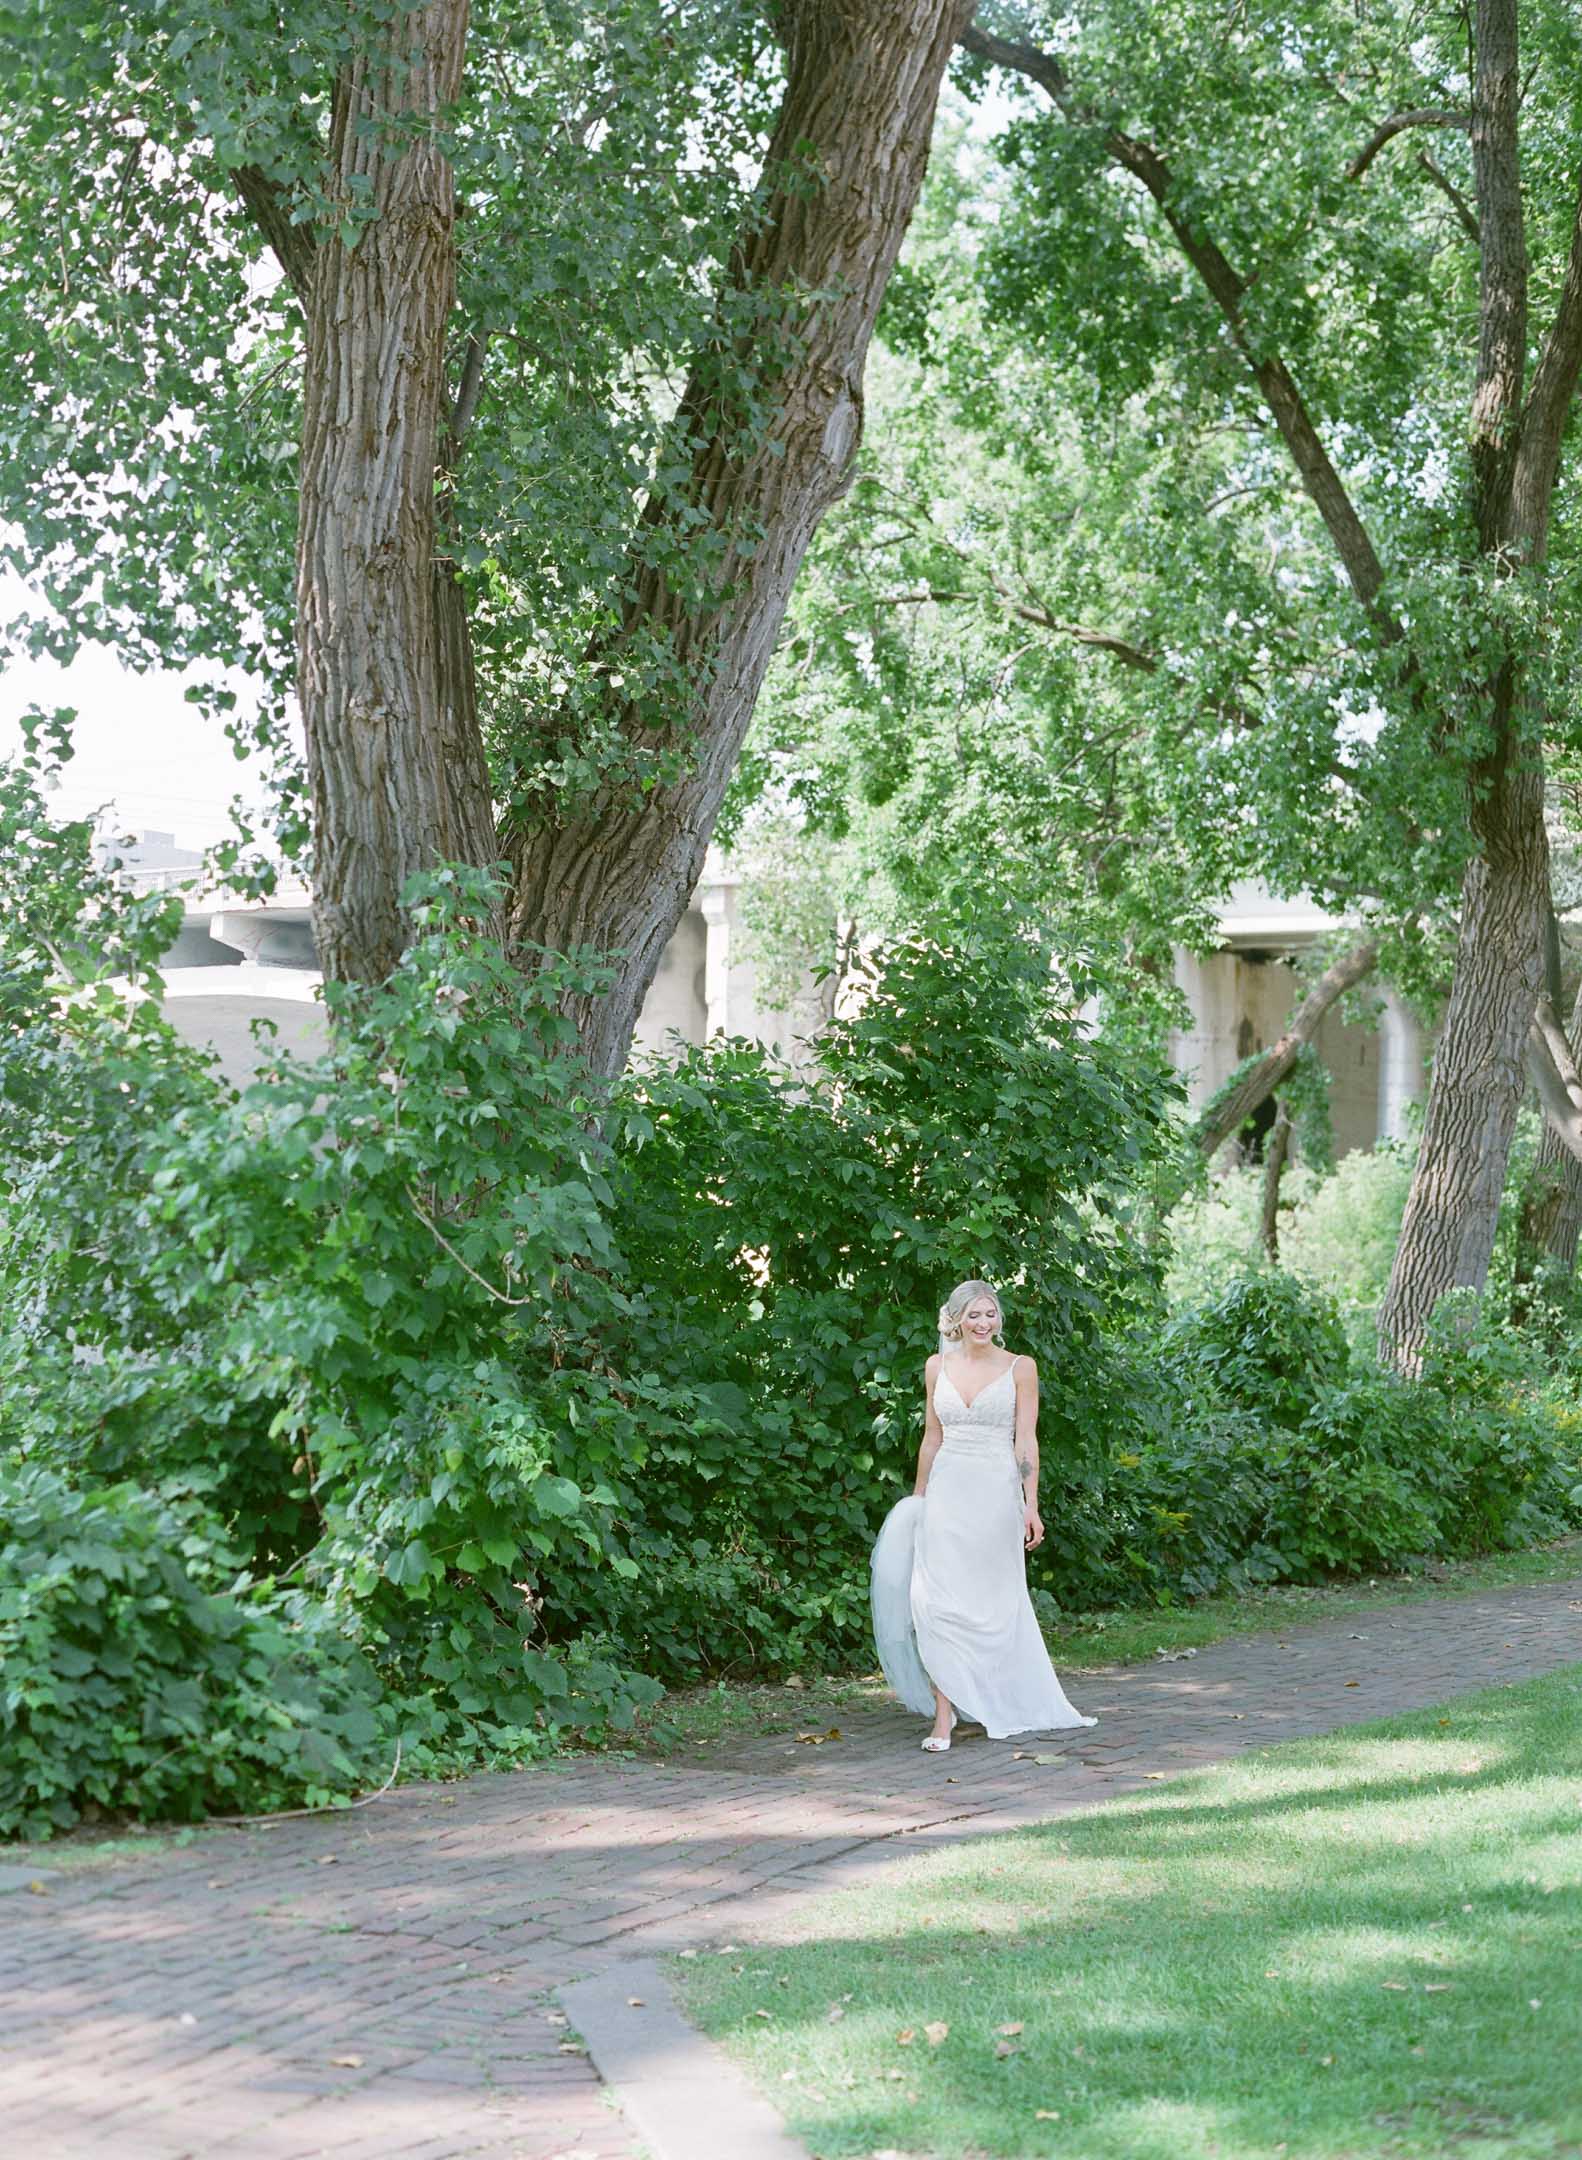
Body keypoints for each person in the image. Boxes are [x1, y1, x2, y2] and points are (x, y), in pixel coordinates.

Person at [870, 1278, 1096, 1752]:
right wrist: (918, 1501)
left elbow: (1026, 1441)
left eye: (990, 1313)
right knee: (935, 1602)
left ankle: (991, 1695)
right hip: (947, 1492)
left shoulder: (1020, 1367)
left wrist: (1030, 1504)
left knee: (990, 1603)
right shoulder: (937, 1367)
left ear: (999, 1319)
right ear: (956, 1320)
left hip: (995, 1494)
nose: (983, 1322)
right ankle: (944, 1713)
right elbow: (932, 1437)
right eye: (973, 1314)